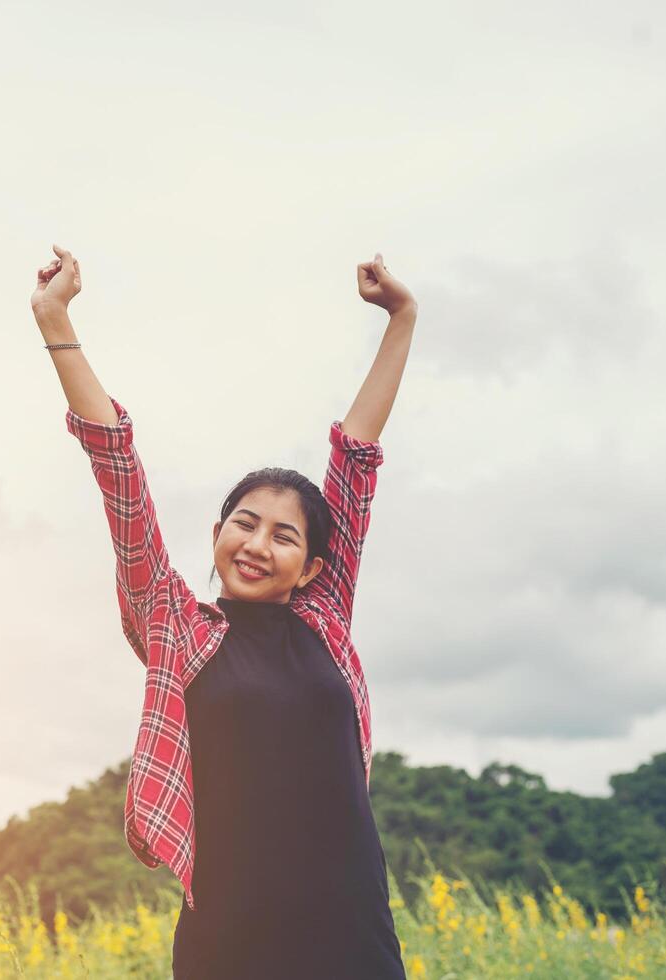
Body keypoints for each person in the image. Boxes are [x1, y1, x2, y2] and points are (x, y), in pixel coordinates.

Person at [30, 243, 417, 978]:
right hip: (232, 940)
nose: (257, 544)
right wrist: (54, 320)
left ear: (312, 567)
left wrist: (401, 316)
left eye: (283, 536)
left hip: (351, 929)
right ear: (216, 535)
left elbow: (357, 454)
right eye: (243, 523)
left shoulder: (323, 621)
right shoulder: (180, 630)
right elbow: (118, 472)